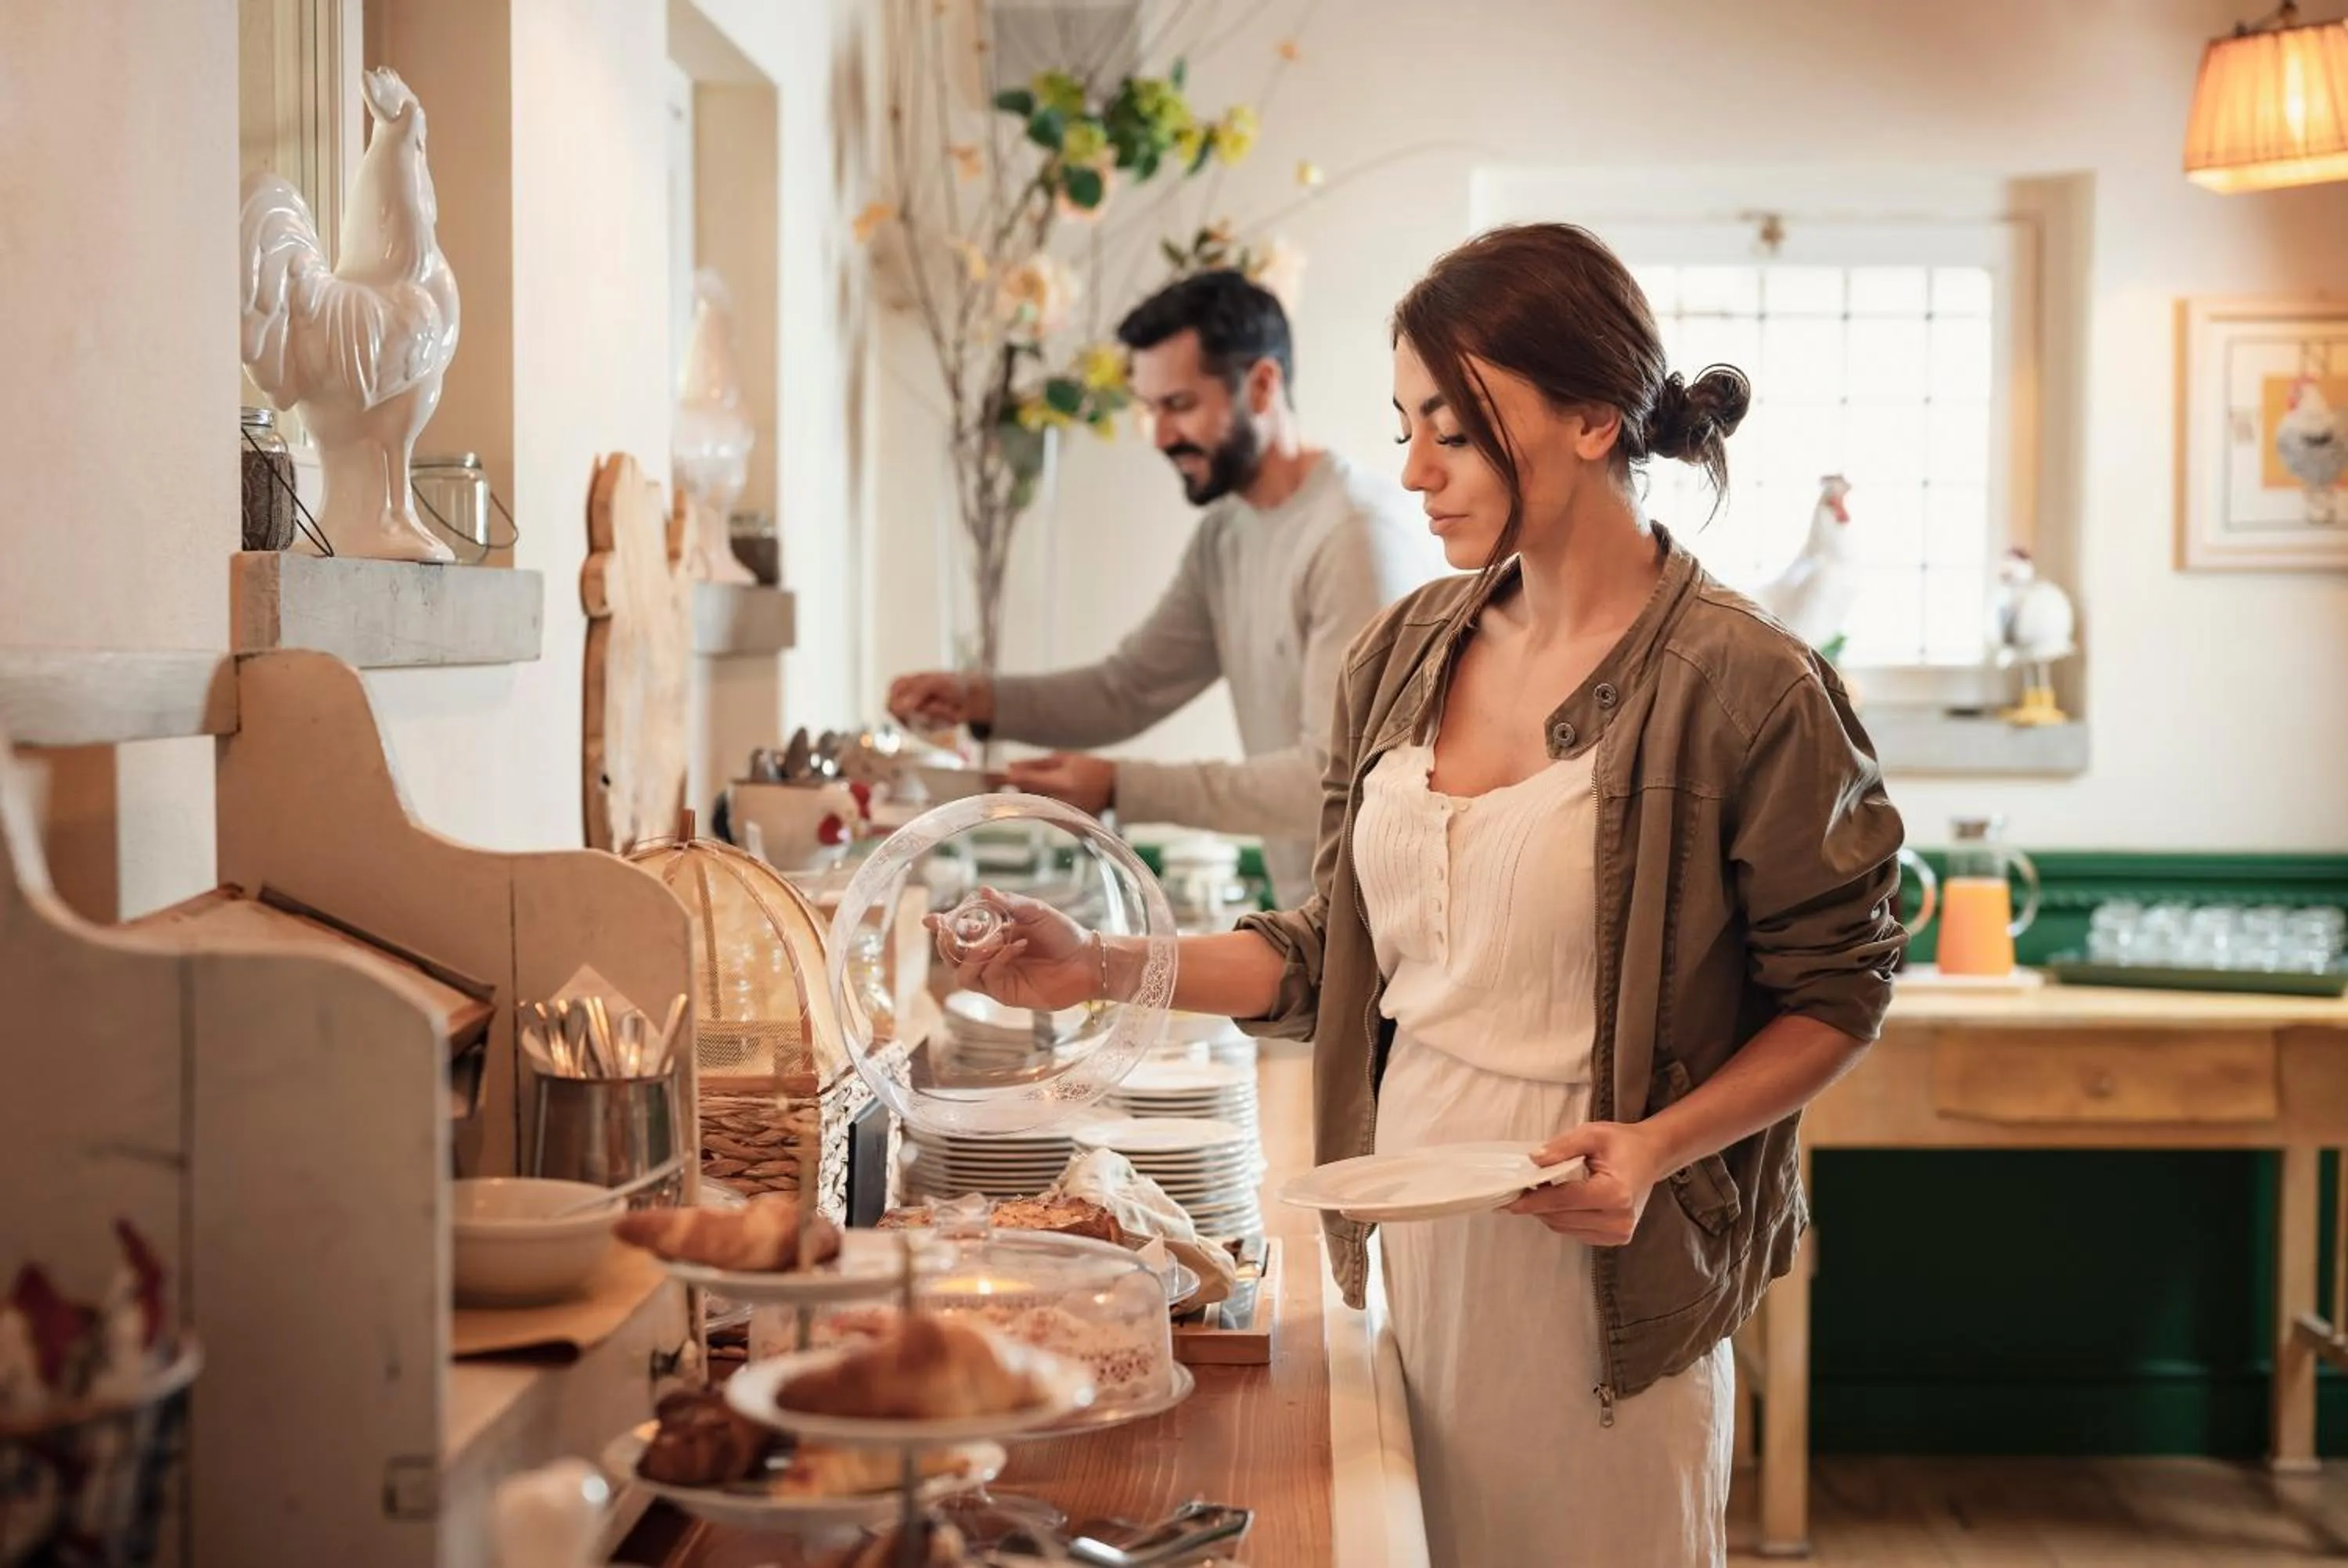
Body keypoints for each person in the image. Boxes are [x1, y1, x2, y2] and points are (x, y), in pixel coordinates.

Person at [927, 225, 1909, 1566]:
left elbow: (1841, 989)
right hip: (1412, 1233)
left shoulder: (1748, 683)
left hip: (1602, 1261)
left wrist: (1658, 1145)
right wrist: (1098, 961)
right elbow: (1333, 952)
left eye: (1454, 430)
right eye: (1405, 426)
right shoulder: (1406, 649)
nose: (1413, 472)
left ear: (1589, 417)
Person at [887, 269, 1437, 908]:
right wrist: (977, 699)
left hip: (1388, 927)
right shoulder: (1227, 535)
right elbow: (1129, 689)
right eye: (1150, 410)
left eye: (1179, 405)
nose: (1162, 436)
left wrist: (1122, 786)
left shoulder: (1352, 535)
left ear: (1261, 386)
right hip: (1311, 916)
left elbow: (1330, 777)